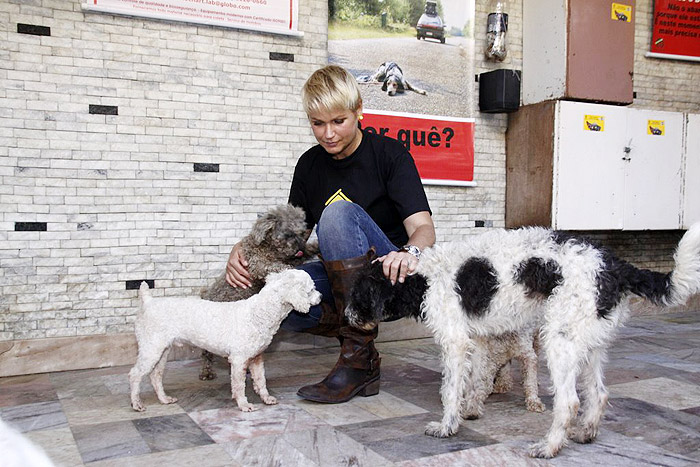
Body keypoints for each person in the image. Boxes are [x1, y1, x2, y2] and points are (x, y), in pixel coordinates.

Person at [224, 64, 435, 403]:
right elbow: (291, 238)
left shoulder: (390, 154)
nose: (328, 134)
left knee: (336, 213)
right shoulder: (309, 165)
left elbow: (424, 229)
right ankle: (361, 351)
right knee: (276, 290)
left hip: (389, 276)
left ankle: (356, 361)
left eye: (339, 121)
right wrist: (244, 249)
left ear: (359, 112)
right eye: (317, 123)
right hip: (344, 278)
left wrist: (409, 254)